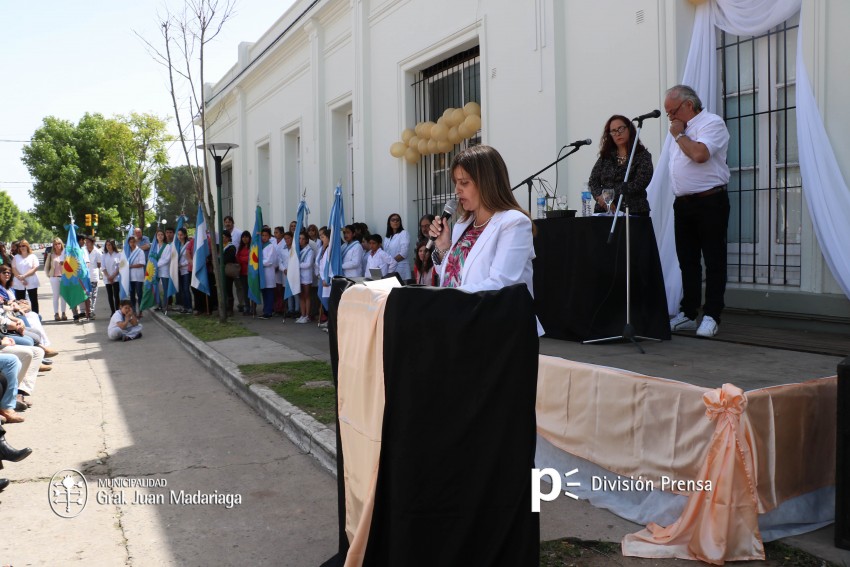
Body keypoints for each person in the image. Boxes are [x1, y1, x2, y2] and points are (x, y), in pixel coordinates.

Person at [428, 145, 541, 335]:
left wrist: (442, 298)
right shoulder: (463, 224)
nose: (457, 190)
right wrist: (443, 247)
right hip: (459, 323)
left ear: (487, 182)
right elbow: (454, 276)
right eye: (456, 182)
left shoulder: (514, 223)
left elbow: (501, 284)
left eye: (464, 183)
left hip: (498, 331)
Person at [664, 84, 731, 338]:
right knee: (687, 261)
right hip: (683, 204)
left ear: (688, 105)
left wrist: (680, 136)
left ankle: (712, 314)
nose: (670, 117)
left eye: (673, 111)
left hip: (710, 201)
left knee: (714, 260)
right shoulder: (680, 131)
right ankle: (689, 313)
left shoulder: (711, 123)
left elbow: (700, 155)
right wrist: (679, 134)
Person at [587, 114, 653, 216]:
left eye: (621, 129)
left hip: (633, 211)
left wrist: (608, 196)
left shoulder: (642, 155)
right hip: (605, 211)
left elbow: (640, 183)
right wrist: (601, 198)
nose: (617, 133)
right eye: (613, 131)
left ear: (629, 129)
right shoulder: (606, 156)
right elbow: (593, 181)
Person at [11, 240, 40, 314]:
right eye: (20, 246)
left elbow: (35, 268)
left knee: (33, 300)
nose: (21, 247)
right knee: (20, 301)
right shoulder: (16, 257)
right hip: (19, 282)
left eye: (23, 245)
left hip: (31, 281)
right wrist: (21, 279)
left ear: (27, 246)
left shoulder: (32, 256)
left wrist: (24, 276)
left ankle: (36, 316)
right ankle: (23, 317)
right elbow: (13, 268)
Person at [44, 238, 68, 320]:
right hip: (54, 277)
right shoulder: (51, 255)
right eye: (55, 244)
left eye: (59, 243)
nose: (57, 245)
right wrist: (49, 275)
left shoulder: (65, 255)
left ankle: (63, 313)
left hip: (64, 277)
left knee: (63, 296)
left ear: (61, 244)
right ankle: (56, 313)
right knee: (56, 295)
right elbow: (46, 267)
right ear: (53, 246)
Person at [384, 213, 411, 281]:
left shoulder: (404, 233)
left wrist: (392, 262)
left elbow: (403, 253)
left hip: (401, 267)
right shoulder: (387, 237)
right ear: (389, 223)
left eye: (397, 220)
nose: (395, 222)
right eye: (393, 220)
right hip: (390, 267)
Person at [296, 232, 315, 323]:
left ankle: (307, 315)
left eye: (303, 239)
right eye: (299, 239)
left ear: (307, 240)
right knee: (301, 296)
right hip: (299, 275)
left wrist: (297, 265)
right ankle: (302, 314)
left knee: (307, 296)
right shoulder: (298, 250)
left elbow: (308, 264)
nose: (301, 241)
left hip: (306, 276)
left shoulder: (309, 251)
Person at [259, 227, 278, 319]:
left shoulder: (270, 246)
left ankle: (269, 311)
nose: (264, 237)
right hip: (262, 272)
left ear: (270, 236)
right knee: (264, 292)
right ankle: (265, 310)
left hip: (268, 272)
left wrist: (259, 263)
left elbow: (269, 261)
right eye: (262, 235)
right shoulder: (261, 246)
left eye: (266, 235)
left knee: (269, 292)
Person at [126, 236, 145, 317]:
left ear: (136, 242)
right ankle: (133, 310)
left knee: (139, 294)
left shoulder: (140, 251)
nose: (132, 243)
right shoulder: (127, 252)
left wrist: (130, 266)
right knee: (132, 294)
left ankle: (140, 310)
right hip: (130, 277)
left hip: (138, 276)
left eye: (133, 242)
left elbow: (142, 263)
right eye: (130, 242)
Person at [101, 239, 122, 316]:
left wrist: (113, 276)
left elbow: (119, 267)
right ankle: (112, 311)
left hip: (116, 278)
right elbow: (103, 267)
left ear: (113, 245)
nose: (108, 246)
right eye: (107, 245)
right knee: (110, 295)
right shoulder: (103, 255)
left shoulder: (118, 255)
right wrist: (108, 277)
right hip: (107, 278)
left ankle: (117, 311)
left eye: (109, 245)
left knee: (116, 295)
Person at [84, 236, 102, 319]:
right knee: (87, 295)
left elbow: (99, 264)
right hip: (85, 277)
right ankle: (87, 311)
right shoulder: (83, 250)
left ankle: (92, 311)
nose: (86, 244)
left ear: (92, 243)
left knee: (93, 295)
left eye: (88, 242)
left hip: (94, 276)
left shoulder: (97, 252)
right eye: (86, 242)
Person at [176, 228, 193, 314]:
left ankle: (189, 307)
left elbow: (190, 258)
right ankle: (184, 307)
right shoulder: (178, 245)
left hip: (186, 269)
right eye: (178, 234)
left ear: (185, 235)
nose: (179, 236)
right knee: (181, 289)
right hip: (179, 270)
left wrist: (182, 264)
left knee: (186, 289)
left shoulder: (188, 244)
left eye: (181, 234)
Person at [235, 230, 251, 315]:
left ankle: (252, 307)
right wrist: (243, 259)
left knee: (251, 290)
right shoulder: (240, 247)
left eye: (246, 237)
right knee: (245, 290)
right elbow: (237, 257)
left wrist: (242, 259)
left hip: (250, 272)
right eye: (243, 237)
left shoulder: (252, 247)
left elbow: (250, 258)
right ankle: (247, 306)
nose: (245, 239)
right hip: (242, 272)